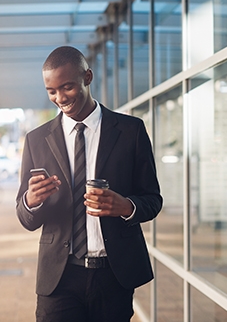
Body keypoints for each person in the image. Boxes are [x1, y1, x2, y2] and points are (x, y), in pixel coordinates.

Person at [15, 46, 163, 322]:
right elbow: (25, 217)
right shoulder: (37, 140)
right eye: (52, 91)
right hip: (59, 277)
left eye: (67, 87)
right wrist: (30, 201)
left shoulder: (131, 131)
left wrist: (125, 206)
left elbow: (153, 200)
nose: (60, 98)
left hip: (113, 275)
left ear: (88, 77)